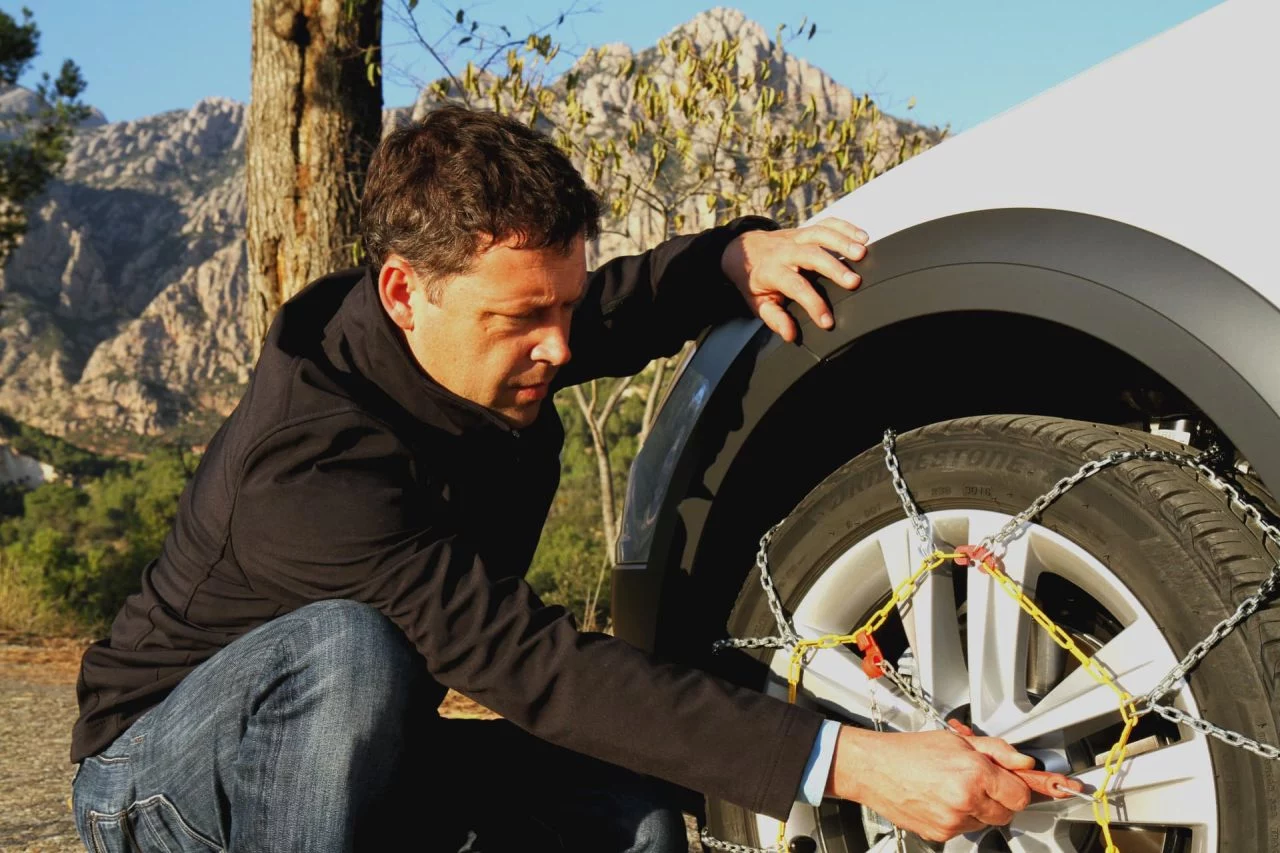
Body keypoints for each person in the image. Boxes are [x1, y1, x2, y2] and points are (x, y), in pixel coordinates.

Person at [69, 105, 1079, 853]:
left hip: (355, 764)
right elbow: (534, 669)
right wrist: (855, 763)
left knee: (624, 811)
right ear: (401, 292)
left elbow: (612, 308)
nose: (558, 345)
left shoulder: (471, 331)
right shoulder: (309, 472)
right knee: (346, 652)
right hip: (160, 783)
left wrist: (730, 258)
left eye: (564, 302)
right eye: (523, 319)